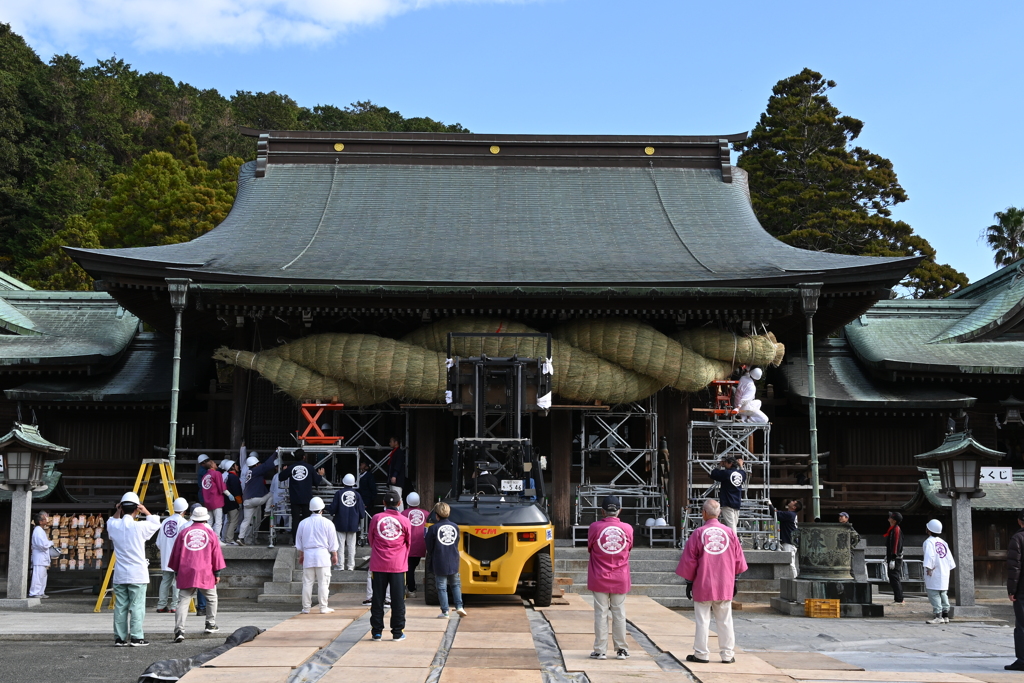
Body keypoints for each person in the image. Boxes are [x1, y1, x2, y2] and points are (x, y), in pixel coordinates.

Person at [676, 499, 748, 664]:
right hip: (725, 583)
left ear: (704, 513)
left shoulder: (698, 533)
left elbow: (690, 561)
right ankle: (727, 654)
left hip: (703, 582)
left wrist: (689, 582)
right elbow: (738, 560)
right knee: (725, 619)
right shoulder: (730, 533)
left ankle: (701, 654)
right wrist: (735, 579)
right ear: (719, 513)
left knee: (703, 620)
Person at [107, 491, 161, 647]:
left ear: (122, 508)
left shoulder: (114, 526)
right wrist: (145, 510)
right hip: (137, 573)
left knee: (120, 606)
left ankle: (119, 638)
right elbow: (155, 523)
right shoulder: (140, 526)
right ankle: (137, 637)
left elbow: (111, 520)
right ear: (137, 508)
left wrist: (119, 510)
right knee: (137, 606)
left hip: (120, 573)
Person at [586, 495, 633, 661]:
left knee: (601, 613)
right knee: (619, 613)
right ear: (619, 510)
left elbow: (590, 547)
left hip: (599, 575)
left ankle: (600, 650)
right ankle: (621, 649)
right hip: (620, 576)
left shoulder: (594, 527)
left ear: (602, 511)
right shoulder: (627, 528)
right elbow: (629, 548)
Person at [169, 506, 226, 642]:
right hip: (205, 570)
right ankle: (210, 623)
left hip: (186, 569)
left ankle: (179, 631)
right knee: (211, 597)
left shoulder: (184, 533)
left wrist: (177, 572)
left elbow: (176, 554)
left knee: (183, 600)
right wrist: (217, 572)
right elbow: (216, 554)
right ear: (206, 518)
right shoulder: (210, 533)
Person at [369, 490, 411, 641]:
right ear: (399, 503)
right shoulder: (405, 520)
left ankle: (377, 632)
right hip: (398, 564)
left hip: (379, 563)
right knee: (398, 599)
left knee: (378, 598)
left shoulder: (376, 518)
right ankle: (397, 632)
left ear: (384, 503)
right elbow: (408, 542)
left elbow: (371, 539)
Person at [295, 496, 339, 614]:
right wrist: (334, 554)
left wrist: (301, 555)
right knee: (323, 583)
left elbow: (299, 542)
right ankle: (323, 607)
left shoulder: (303, 523)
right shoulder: (328, 523)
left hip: (308, 554)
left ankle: (306, 608)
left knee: (307, 582)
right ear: (322, 509)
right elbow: (333, 541)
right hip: (322, 555)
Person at [424, 501, 466, 619]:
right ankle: (459, 606)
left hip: (439, 559)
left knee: (442, 586)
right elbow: (456, 542)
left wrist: (432, 554)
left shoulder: (433, 528)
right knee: (455, 584)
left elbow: (429, 545)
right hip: (453, 558)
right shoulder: (455, 527)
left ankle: (445, 611)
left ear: (437, 515)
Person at [279, 449, 327, 538]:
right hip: (306, 497)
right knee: (307, 519)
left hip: (294, 498)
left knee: (295, 520)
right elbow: (316, 481)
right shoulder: (309, 467)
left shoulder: (291, 467)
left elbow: (281, 477)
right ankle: (306, 539)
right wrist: (320, 475)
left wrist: (284, 470)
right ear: (304, 457)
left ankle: (295, 540)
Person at [155, 498, 188, 613]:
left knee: (165, 581)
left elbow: (158, 542)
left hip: (165, 556)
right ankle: (174, 606)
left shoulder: (164, 521)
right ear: (185, 510)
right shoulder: (184, 523)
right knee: (177, 581)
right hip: (178, 557)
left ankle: (161, 605)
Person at [239, 451, 278, 546]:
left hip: (247, 501)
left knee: (246, 521)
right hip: (256, 499)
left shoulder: (249, 472)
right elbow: (267, 465)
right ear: (256, 464)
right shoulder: (255, 470)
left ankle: (241, 537)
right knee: (271, 494)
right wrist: (275, 453)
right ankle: (267, 510)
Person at [922, 519, 956, 625]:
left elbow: (930, 556)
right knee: (943, 593)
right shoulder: (943, 542)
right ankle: (945, 615)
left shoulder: (928, 542)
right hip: (944, 570)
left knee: (934, 593)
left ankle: (938, 615)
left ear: (929, 530)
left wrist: (929, 568)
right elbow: (950, 559)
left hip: (934, 571)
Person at [329, 473, 364, 571]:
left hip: (340, 522)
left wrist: (328, 509)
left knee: (340, 545)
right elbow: (362, 512)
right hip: (353, 524)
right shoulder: (357, 495)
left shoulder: (339, 493)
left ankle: (340, 565)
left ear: (343, 482)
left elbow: (333, 509)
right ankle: (350, 566)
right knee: (351, 546)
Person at [1006, 509, 1024, 671]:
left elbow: (1014, 567)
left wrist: (1012, 590)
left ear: (1020, 521)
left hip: (1022, 590)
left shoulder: (1018, 538)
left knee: (1022, 625)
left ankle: (1023, 660)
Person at [402, 492, 427, 598]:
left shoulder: (403, 513)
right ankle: (411, 588)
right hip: (422, 545)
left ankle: (411, 589)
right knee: (412, 567)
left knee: (409, 568)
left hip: (408, 545)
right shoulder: (426, 514)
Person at [710, 456, 745, 532]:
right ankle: (734, 541)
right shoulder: (741, 474)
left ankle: (734, 542)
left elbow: (713, 474)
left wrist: (719, 465)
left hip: (727, 501)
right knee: (733, 524)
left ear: (730, 464)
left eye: (725, 462)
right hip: (737, 502)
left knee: (731, 526)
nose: (724, 464)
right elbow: (744, 473)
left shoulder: (726, 473)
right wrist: (741, 465)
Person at [771, 499, 801, 579]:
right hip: (789, 542)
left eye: (793, 502)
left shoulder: (790, 514)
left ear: (794, 507)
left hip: (789, 543)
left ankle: (795, 580)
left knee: (790, 564)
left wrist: (770, 505)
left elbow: (776, 514)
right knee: (790, 563)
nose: (791, 501)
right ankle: (793, 580)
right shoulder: (791, 514)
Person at [200, 458, 227, 538]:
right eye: (214, 463)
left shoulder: (204, 476)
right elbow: (221, 487)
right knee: (218, 521)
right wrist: (229, 495)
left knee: (209, 521)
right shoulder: (216, 473)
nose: (216, 464)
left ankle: (207, 538)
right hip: (216, 500)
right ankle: (217, 539)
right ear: (211, 465)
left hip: (207, 501)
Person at [28, 510, 53, 599]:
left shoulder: (40, 530)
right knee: (38, 576)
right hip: (39, 557)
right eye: (44, 519)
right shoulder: (38, 531)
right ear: (40, 522)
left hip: (42, 557)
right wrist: (50, 543)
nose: (46, 521)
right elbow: (42, 545)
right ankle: (34, 592)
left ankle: (41, 592)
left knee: (42, 576)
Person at [885, 511, 904, 604]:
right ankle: (898, 598)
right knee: (893, 577)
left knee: (894, 577)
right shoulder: (893, 529)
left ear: (894, 520)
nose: (889, 518)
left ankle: (899, 599)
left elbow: (896, 544)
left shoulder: (896, 529)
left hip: (895, 558)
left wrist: (893, 557)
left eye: (891, 517)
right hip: (893, 557)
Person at [222, 461, 244, 544]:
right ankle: (229, 539)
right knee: (233, 521)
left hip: (227, 502)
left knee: (229, 521)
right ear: (232, 467)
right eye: (236, 465)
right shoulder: (234, 477)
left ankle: (225, 538)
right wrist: (239, 503)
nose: (237, 466)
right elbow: (237, 492)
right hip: (233, 503)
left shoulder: (229, 477)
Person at [386, 437, 406, 509]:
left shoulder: (399, 452)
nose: (390, 443)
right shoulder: (394, 452)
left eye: (391, 441)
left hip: (397, 479)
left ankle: (400, 513)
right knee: (394, 497)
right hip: (393, 478)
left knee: (398, 497)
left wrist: (394, 475)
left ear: (396, 442)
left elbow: (398, 465)